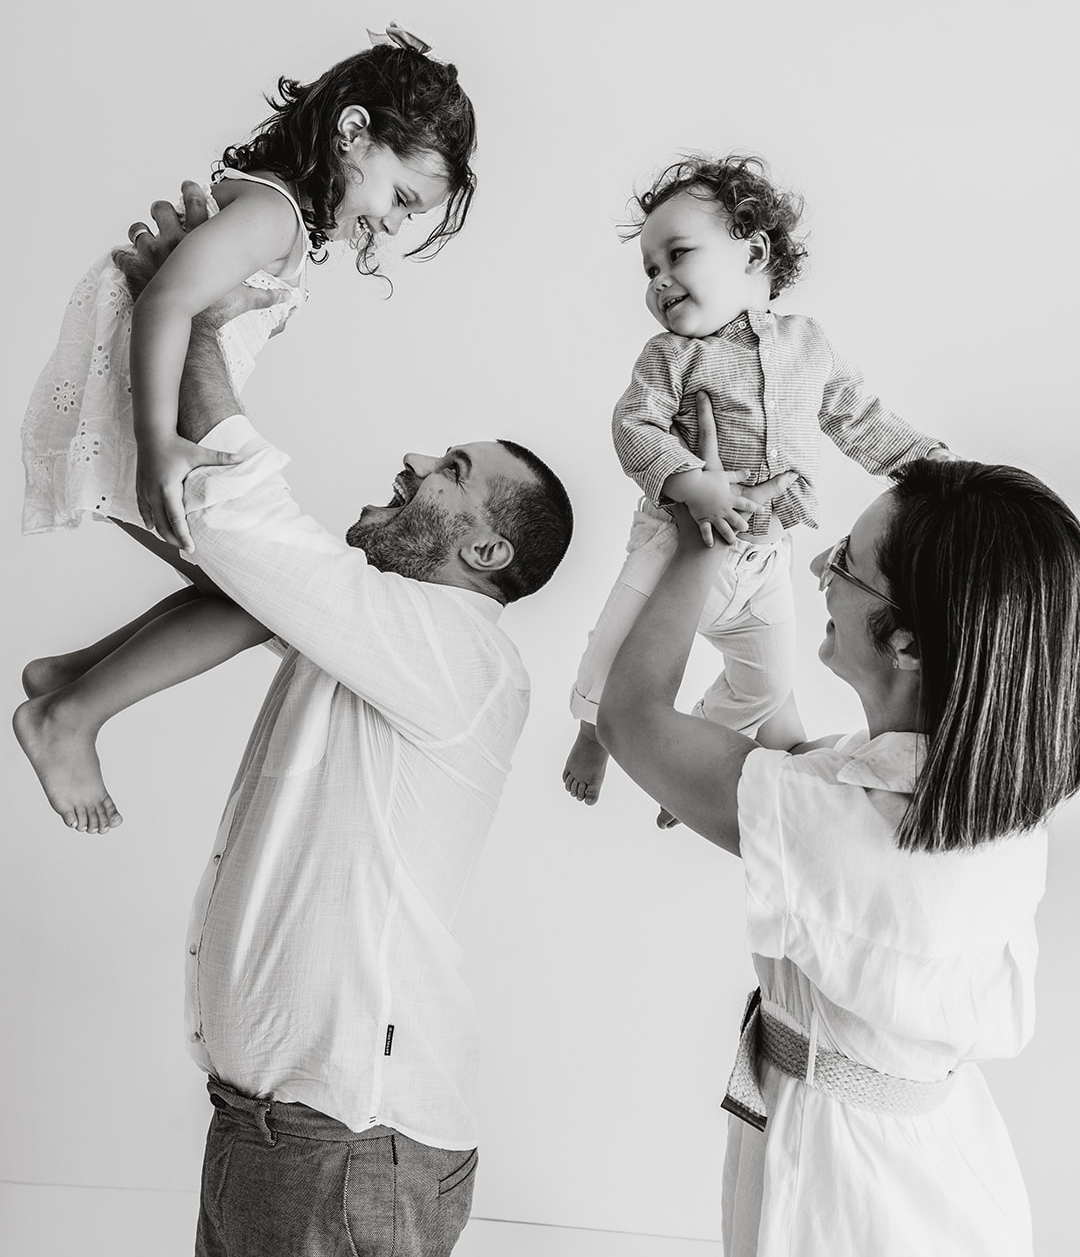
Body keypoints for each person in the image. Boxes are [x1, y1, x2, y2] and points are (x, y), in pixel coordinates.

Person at [102, 193, 573, 1257]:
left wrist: (201, 322)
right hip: (283, 1140)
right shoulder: (379, 639)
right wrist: (158, 343)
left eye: (451, 473)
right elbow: (221, 554)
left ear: (486, 554)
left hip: (347, 1149)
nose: (416, 458)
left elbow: (249, 527)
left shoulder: (457, 651)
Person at [596, 392, 1080, 1255]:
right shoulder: (988, 797)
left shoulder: (838, 824)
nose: (821, 564)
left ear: (909, 643)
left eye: (846, 566)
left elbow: (630, 720)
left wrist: (703, 534)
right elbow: (794, 757)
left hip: (845, 1185)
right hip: (935, 1153)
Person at [16, 23, 477, 834]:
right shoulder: (272, 215)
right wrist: (158, 442)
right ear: (353, 131)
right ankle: (69, 713)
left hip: (151, 411)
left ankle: (71, 681)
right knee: (271, 600)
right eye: (402, 199)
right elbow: (165, 301)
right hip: (143, 417)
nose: (394, 226)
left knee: (247, 594)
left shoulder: (278, 214)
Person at [563, 155, 950, 805]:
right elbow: (634, 426)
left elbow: (859, 416)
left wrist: (934, 468)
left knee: (767, 686)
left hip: (765, 557)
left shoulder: (809, 345)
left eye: (677, 255)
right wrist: (690, 481)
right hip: (675, 541)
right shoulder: (670, 355)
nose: (659, 281)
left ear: (755, 251)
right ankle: (592, 733)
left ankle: (703, 747)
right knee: (614, 645)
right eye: (650, 271)